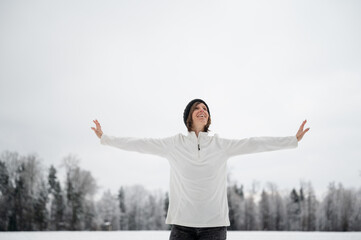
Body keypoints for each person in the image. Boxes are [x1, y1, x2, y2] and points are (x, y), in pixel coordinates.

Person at [91, 98, 310, 240]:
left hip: (214, 227)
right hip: (182, 228)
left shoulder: (220, 145)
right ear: (189, 117)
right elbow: (141, 144)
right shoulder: (173, 144)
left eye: (204, 108)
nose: (201, 110)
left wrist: (292, 140)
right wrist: (106, 138)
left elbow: (254, 142)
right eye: (196, 108)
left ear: (208, 118)